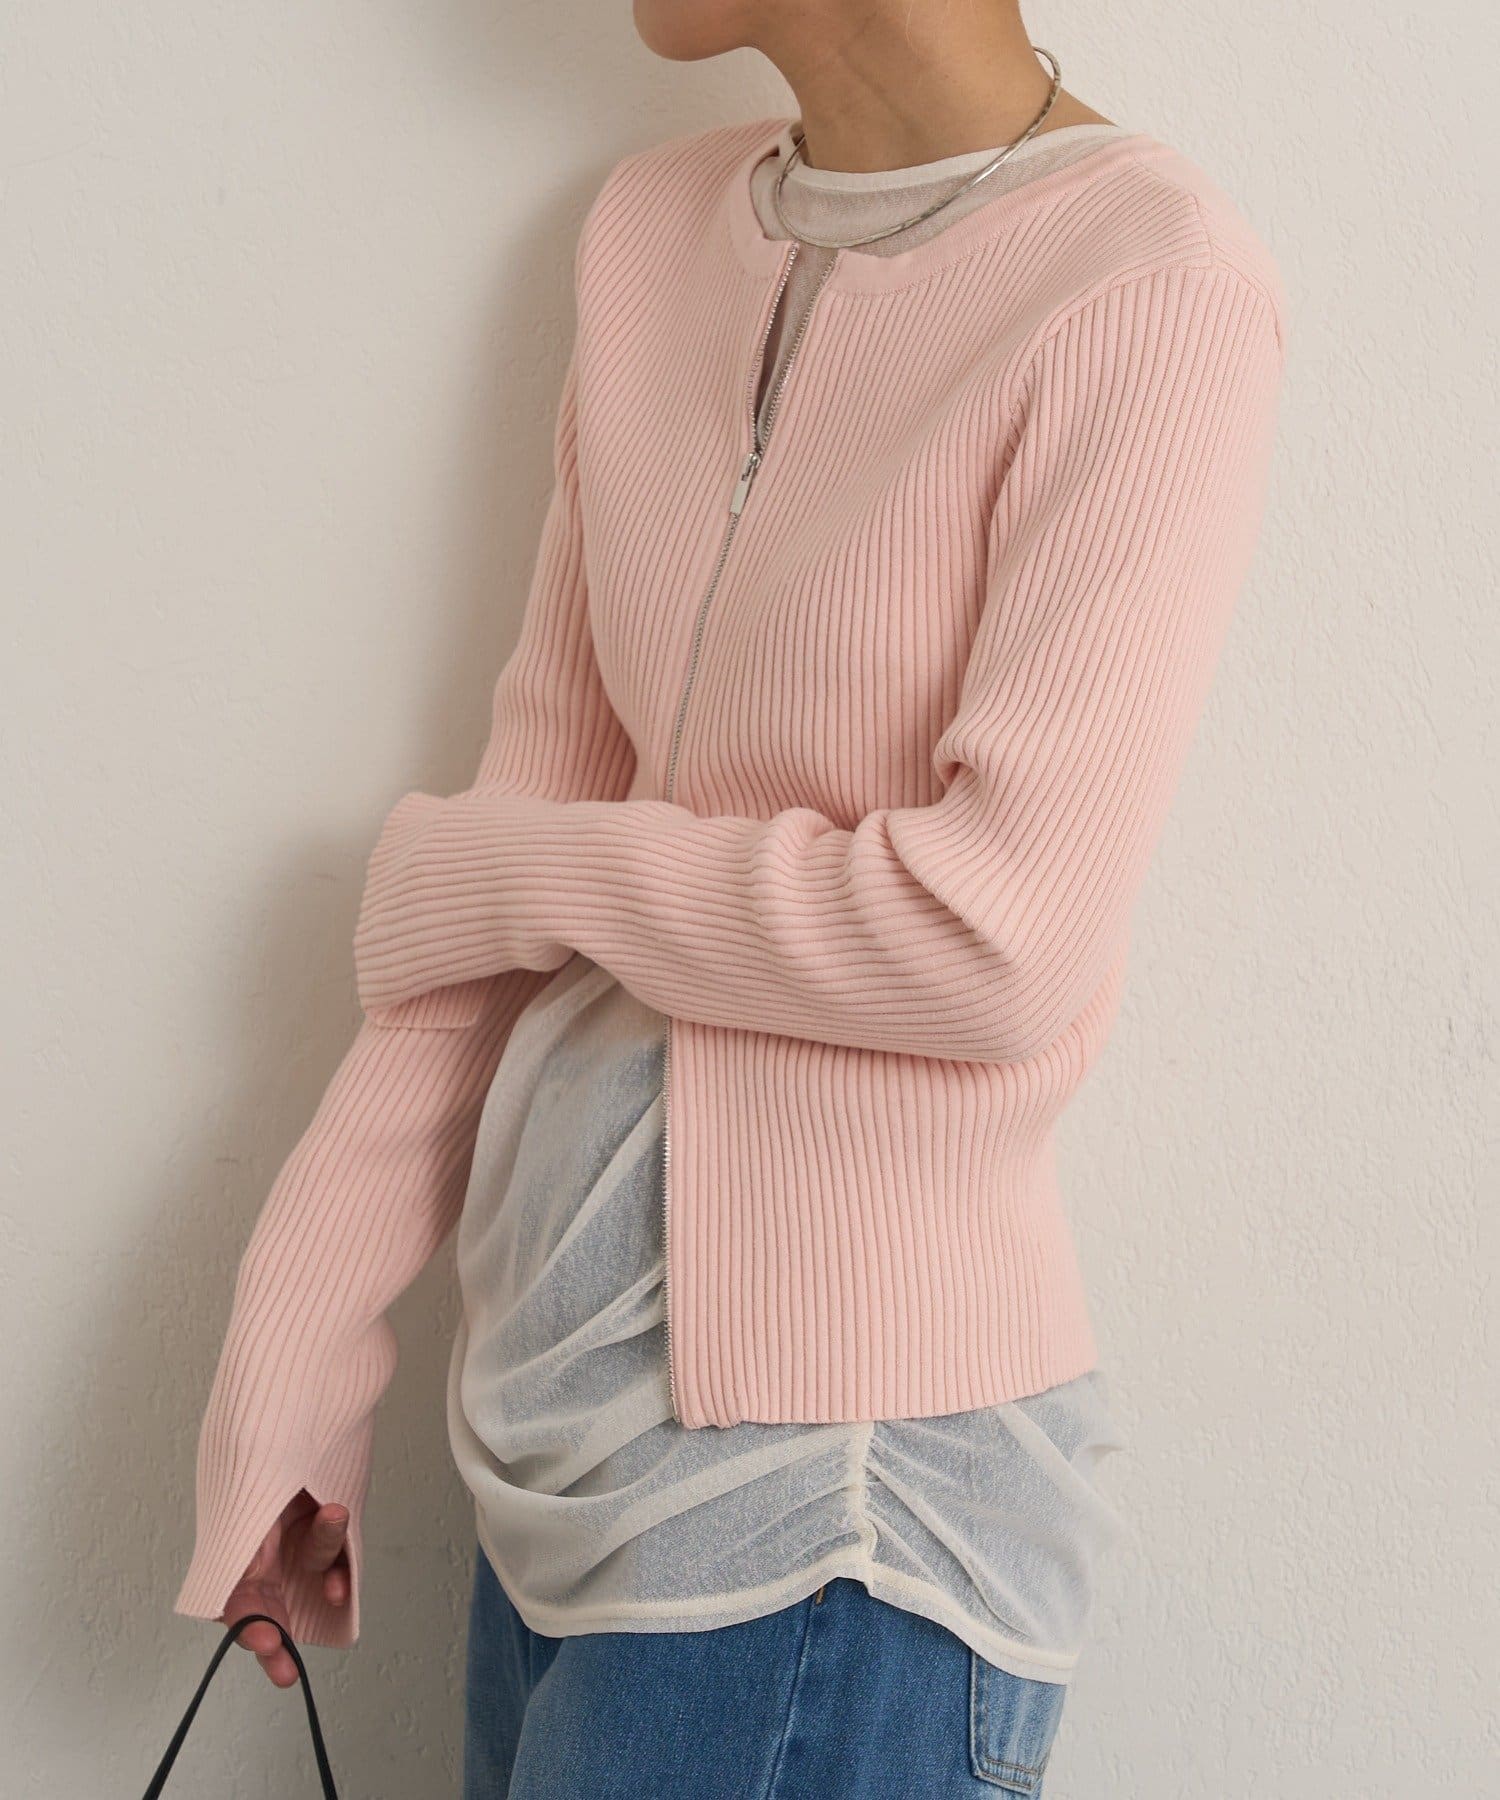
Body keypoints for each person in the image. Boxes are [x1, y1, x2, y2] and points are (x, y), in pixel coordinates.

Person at [173, 2, 1289, 1792]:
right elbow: (502, 868)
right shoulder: (652, 236)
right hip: (552, 1466)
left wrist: (522, 868)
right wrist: (295, 1358)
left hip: (833, 1508)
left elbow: (994, 938)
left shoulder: (1147, 283)